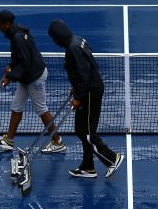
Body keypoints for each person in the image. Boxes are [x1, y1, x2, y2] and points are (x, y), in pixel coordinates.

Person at [47, 19, 124, 179]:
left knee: (87, 133)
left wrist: (78, 96)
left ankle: (112, 159)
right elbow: (86, 67)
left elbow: (84, 76)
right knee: (80, 130)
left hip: (90, 93)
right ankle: (88, 167)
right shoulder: (78, 40)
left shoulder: (72, 49)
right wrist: (76, 88)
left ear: (57, 37)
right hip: (90, 88)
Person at [0, 10, 65, 154]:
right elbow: (20, 57)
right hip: (27, 75)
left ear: (7, 24)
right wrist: (11, 65)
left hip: (35, 76)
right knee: (16, 106)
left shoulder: (17, 37)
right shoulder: (16, 33)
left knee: (41, 109)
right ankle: (9, 140)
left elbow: (25, 64)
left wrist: (10, 77)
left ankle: (58, 142)